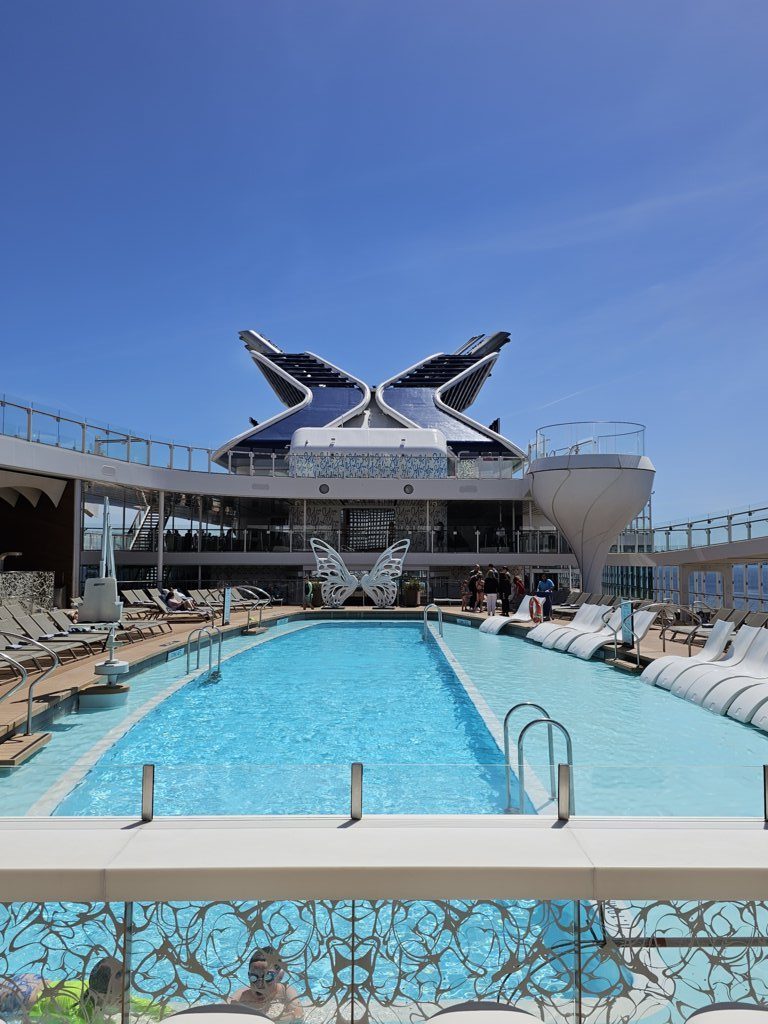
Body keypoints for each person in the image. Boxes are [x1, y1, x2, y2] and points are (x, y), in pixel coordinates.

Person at [231, 947, 303, 1022]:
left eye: (268, 977)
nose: (259, 985)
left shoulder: (285, 991)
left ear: (279, 976)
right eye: (254, 977)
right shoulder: (243, 994)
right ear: (249, 975)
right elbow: (221, 1009)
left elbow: (299, 1014)